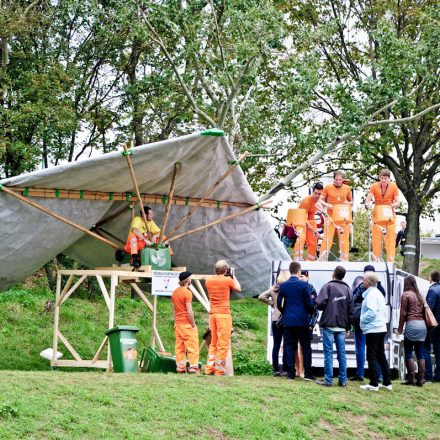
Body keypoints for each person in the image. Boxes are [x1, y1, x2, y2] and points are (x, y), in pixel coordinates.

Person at [315, 266, 353, 387]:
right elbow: (350, 310)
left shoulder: (328, 286)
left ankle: (328, 380)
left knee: (328, 353)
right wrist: (348, 327)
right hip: (342, 327)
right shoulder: (348, 289)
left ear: (334, 274)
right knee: (342, 354)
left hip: (329, 325)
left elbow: (320, 304)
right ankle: (343, 380)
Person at [277, 261, 315, 381]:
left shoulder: (284, 286)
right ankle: (308, 374)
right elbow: (309, 303)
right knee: (306, 347)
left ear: (290, 271)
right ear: (299, 271)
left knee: (289, 347)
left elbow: (279, 303)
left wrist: (285, 312)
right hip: (302, 320)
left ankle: (290, 373)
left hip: (289, 321)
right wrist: (308, 313)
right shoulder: (304, 285)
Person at [204, 260, 241, 376]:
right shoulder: (228, 280)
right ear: (226, 270)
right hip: (223, 315)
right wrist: (233, 275)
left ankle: (209, 368)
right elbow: (238, 288)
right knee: (223, 343)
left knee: (213, 343)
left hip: (212, 314)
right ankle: (219, 370)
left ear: (215, 270)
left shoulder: (208, 280)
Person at [351, 265, 386, 382]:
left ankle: (360, 374)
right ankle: (380, 375)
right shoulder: (379, 288)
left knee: (360, 347)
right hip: (376, 323)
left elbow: (352, 298)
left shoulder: (361, 285)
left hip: (362, 318)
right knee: (377, 350)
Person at [359, 272, 392, 391]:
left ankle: (374, 383)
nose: (363, 282)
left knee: (371, 355)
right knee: (381, 355)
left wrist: (362, 319)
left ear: (368, 282)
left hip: (373, 328)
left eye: (364, 280)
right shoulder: (378, 293)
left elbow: (372, 311)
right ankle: (387, 382)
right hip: (381, 327)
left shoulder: (371, 294)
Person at [396, 275, 427, 386]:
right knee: (420, 353)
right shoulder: (420, 295)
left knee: (408, 352)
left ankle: (411, 379)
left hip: (411, 324)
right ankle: (421, 379)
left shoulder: (405, 295)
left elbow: (403, 314)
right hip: (422, 325)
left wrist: (399, 330)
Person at [258, 270, 290, 376]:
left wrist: (272, 303)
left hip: (276, 319)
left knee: (276, 344)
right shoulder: (288, 288)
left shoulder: (274, 288)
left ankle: (275, 369)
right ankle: (285, 369)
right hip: (286, 318)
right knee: (286, 344)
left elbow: (261, 296)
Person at [365, 169, 399, 262]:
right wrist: (367, 204)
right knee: (376, 238)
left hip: (389, 214)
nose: (384, 180)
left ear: (389, 179)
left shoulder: (394, 186)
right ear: (380, 178)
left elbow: (397, 202)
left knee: (391, 239)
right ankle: (376, 259)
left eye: (386, 178)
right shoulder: (374, 186)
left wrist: (393, 205)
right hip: (378, 214)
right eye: (382, 178)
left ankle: (390, 260)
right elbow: (368, 199)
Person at [319, 171, 353, 261]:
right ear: (333, 179)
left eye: (340, 180)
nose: (338, 181)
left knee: (344, 238)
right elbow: (320, 200)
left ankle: (344, 259)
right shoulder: (327, 187)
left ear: (343, 179)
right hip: (330, 216)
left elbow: (352, 201)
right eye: (336, 179)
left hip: (343, 217)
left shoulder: (347, 188)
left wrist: (348, 203)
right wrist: (327, 205)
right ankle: (322, 258)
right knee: (327, 238)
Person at [171, 271, 199, 373]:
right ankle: (193, 367)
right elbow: (189, 311)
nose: (191, 280)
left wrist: (178, 320)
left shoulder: (174, 293)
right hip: (187, 325)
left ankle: (180, 367)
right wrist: (193, 324)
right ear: (187, 280)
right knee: (192, 346)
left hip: (178, 325)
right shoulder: (187, 293)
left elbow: (174, 313)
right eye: (190, 278)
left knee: (179, 347)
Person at [293, 183, 325, 261]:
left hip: (311, 219)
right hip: (300, 220)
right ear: (312, 192)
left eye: (319, 194)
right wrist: (315, 231)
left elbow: (319, 208)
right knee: (302, 238)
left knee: (313, 241)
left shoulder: (317, 200)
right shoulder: (306, 202)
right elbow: (304, 221)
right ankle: (297, 258)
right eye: (316, 193)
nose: (317, 195)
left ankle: (310, 260)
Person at [423, 270, 440, 383]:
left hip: (434, 325)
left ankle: (428, 375)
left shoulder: (433, 290)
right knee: (439, 351)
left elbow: (429, 309)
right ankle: (438, 375)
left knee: (426, 348)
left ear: (431, 277)